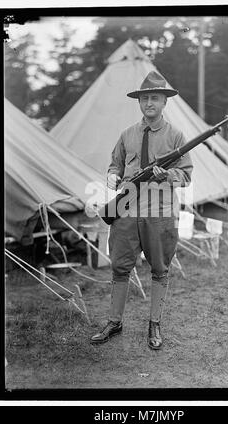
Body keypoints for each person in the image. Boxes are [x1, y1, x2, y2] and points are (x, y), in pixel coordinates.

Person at [90, 70, 193, 350]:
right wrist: (112, 176)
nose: (150, 103)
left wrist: (167, 176)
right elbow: (115, 165)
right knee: (120, 266)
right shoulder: (127, 134)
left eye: (155, 98)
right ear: (139, 102)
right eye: (145, 98)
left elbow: (186, 175)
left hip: (160, 211)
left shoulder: (176, 136)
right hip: (125, 208)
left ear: (164, 103)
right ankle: (115, 321)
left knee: (159, 269)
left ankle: (154, 323)